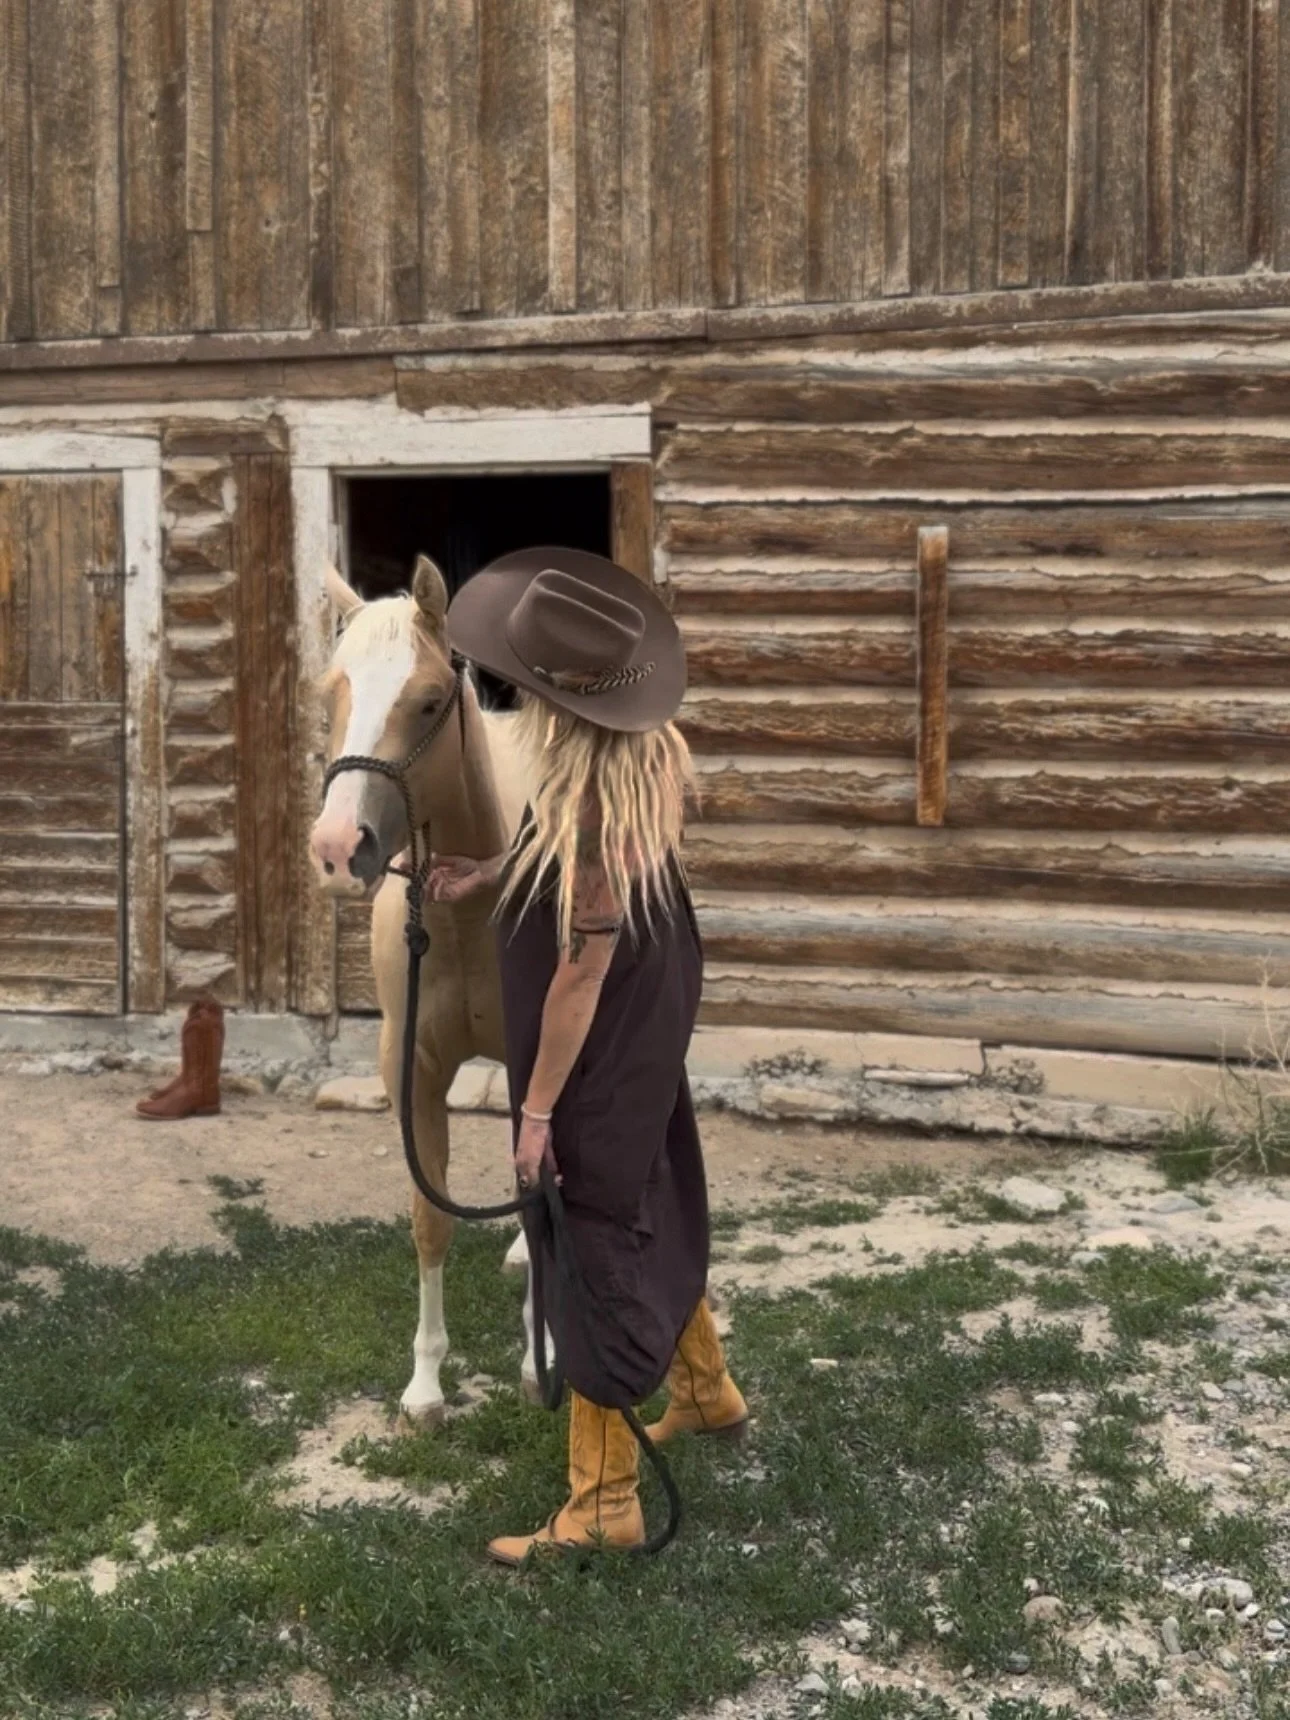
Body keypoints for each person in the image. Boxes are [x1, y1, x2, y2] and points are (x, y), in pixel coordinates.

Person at [429, 546, 747, 1565]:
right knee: (644, 1172)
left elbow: (577, 968)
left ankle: (604, 1501)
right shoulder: (626, 758)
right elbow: (567, 866)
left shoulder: (595, 801)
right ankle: (703, 1388)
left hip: (599, 1018)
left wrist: (533, 1115)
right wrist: (489, 869)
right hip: (651, 1000)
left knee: (586, 1207)